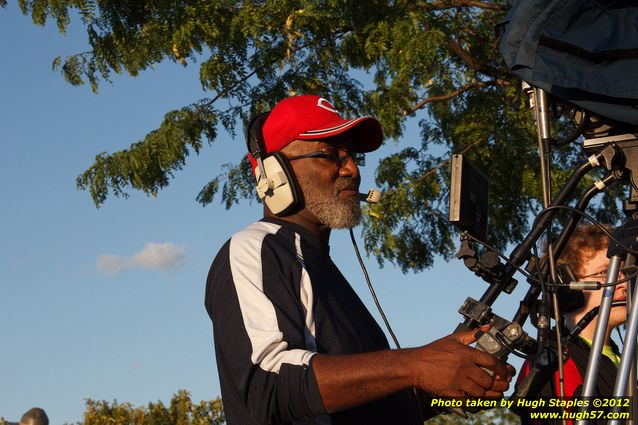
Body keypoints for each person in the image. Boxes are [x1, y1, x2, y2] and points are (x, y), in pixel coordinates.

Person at [204, 95, 514, 425]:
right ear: (274, 172)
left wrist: (444, 372)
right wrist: (413, 364)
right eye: (329, 155)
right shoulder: (255, 249)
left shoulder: (324, 271)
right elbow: (267, 386)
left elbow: (367, 404)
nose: (351, 169)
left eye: (352, 156)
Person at [514, 224, 627, 423]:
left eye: (624, 272)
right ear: (568, 288)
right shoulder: (550, 364)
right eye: (605, 273)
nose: (624, 284)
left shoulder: (623, 359)